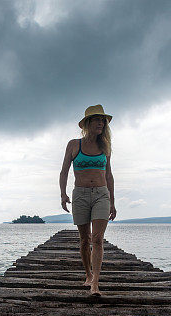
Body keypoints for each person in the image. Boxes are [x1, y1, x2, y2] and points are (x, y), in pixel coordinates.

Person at [59, 104, 117, 296]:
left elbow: (109, 175)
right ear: (88, 123)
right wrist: (63, 194)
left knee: (97, 239)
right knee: (84, 240)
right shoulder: (74, 144)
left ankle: (95, 284)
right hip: (80, 195)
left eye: (103, 120)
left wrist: (113, 201)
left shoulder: (105, 146)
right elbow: (64, 170)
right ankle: (88, 275)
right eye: (97, 120)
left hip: (101, 194)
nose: (101, 123)